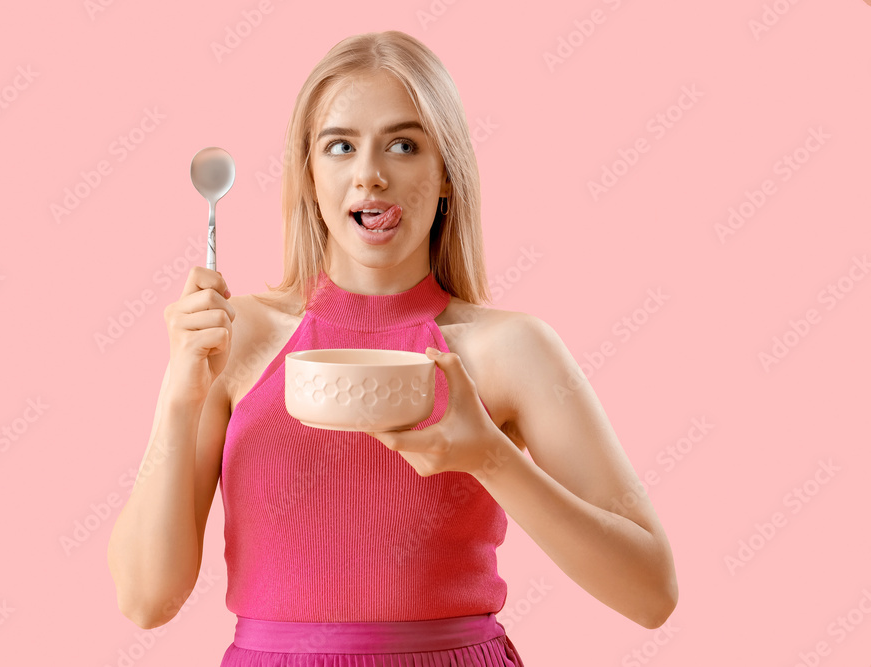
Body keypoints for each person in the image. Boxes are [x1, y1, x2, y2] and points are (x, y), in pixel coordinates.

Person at [107, 30, 678, 666]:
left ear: (444, 176)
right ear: (309, 175)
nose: (370, 175)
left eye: (403, 145)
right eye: (340, 146)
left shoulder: (511, 349)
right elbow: (144, 599)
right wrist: (179, 394)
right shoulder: (231, 340)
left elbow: (651, 592)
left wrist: (492, 459)